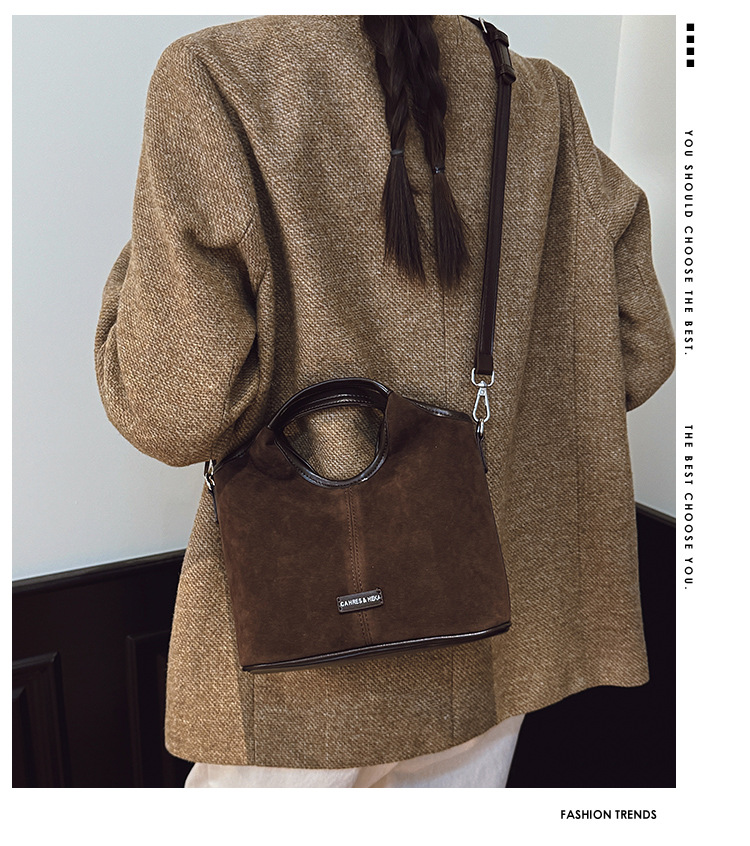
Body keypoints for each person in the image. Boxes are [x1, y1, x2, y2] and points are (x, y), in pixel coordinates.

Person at [94, 15, 675, 788]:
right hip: (493, 623)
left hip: (307, 651)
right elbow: (640, 349)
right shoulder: (540, 98)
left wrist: (142, 266)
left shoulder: (218, 77)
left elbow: (174, 408)